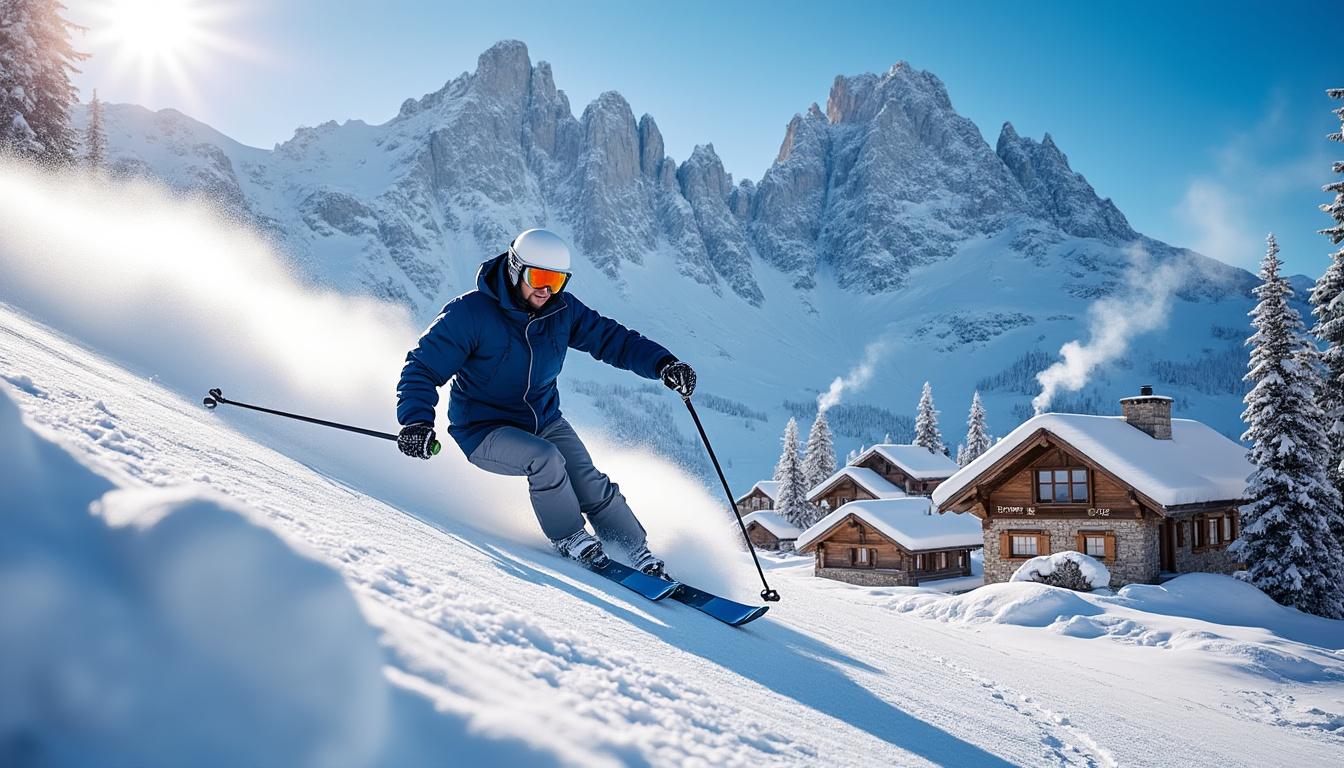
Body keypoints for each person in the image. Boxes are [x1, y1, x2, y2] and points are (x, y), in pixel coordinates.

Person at [395, 228, 696, 576]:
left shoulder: (561, 310)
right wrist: (416, 421)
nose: (545, 290)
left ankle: (635, 551)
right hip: (483, 429)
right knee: (545, 459)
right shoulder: (471, 313)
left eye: (556, 280)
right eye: (538, 277)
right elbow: (422, 366)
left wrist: (663, 363)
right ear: (514, 268)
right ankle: (570, 537)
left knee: (589, 480)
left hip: (543, 419)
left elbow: (613, 340)